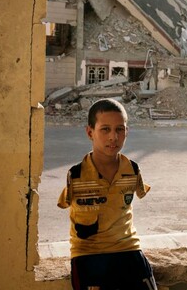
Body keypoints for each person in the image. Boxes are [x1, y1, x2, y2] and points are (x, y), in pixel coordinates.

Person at [58, 98, 158, 290]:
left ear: (126, 132)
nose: (113, 137)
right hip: (89, 254)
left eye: (120, 129)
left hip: (128, 249)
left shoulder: (132, 169)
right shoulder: (76, 175)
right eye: (105, 129)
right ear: (90, 132)